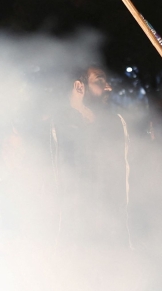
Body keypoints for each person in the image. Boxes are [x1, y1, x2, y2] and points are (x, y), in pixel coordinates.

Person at [50, 65, 134, 247]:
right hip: (68, 239)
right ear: (79, 87)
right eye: (100, 81)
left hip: (110, 237)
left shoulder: (116, 123)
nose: (108, 87)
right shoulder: (54, 125)